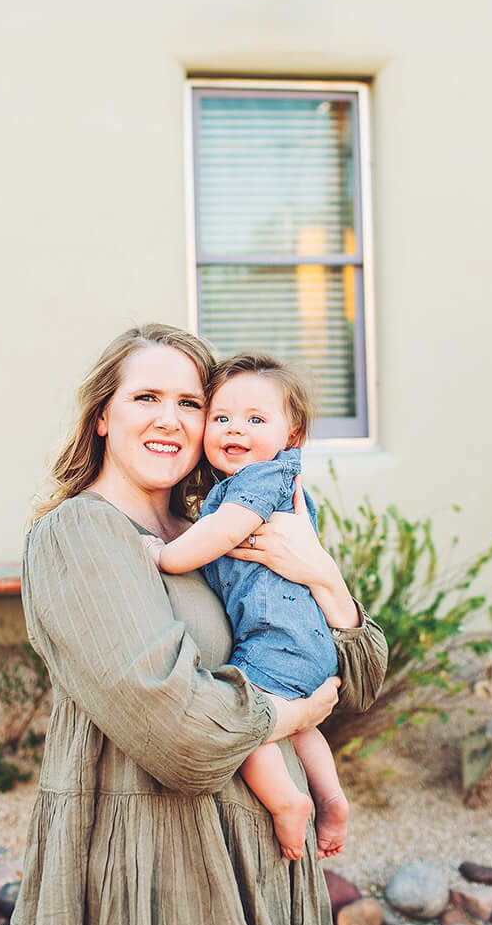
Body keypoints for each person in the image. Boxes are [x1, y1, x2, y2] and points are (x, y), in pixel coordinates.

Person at [7, 324, 389, 925]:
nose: (172, 418)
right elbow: (177, 726)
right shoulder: (82, 534)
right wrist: (288, 714)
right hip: (170, 883)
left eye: (191, 401)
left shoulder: (211, 529)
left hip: (260, 876)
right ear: (102, 416)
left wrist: (325, 576)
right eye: (146, 396)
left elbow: (352, 675)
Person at [147, 352, 351, 862]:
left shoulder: (261, 481)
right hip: (306, 644)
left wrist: (165, 555)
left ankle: (287, 804)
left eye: (256, 420)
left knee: (245, 718)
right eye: (221, 419)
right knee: (303, 726)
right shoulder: (248, 483)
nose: (235, 430)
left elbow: (223, 533)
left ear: (293, 433)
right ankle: (331, 797)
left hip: (276, 642)